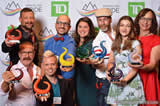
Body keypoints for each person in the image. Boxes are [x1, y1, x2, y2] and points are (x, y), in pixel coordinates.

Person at [105, 16, 145, 106]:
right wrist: (109, 72)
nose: (124, 28)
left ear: (131, 28)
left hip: (130, 81)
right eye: (122, 25)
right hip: (117, 79)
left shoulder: (135, 43)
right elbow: (111, 61)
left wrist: (125, 80)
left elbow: (136, 67)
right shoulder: (115, 43)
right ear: (118, 27)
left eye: (128, 26)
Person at [44, 15, 76, 106]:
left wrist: (70, 64)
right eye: (60, 23)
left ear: (69, 27)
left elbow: (70, 56)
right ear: (55, 25)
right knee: (52, 103)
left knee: (65, 103)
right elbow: (44, 61)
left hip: (65, 81)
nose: (62, 26)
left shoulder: (70, 42)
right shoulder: (49, 41)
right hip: (51, 80)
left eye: (65, 24)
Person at [0, 41, 41, 106]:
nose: (27, 56)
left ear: (34, 53)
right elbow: (2, 92)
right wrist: (6, 82)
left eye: (30, 52)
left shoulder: (39, 70)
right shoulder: (13, 70)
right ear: (19, 54)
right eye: (24, 52)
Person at [133, 8, 160, 106]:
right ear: (138, 20)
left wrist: (140, 67)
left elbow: (152, 64)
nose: (145, 22)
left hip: (148, 79)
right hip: (132, 78)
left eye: (149, 19)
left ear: (153, 22)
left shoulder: (156, 40)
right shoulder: (132, 38)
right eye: (143, 18)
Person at [90, 8, 115, 106]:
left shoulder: (118, 34)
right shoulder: (97, 41)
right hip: (105, 81)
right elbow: (98, 63)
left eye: (105, 19)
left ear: (111, 20)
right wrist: (95, 63)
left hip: (120, 78)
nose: (102, 23)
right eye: (100, 20)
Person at [72, 17, 97, 106]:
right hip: (77, 78)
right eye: (80, 26)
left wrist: (89, 61)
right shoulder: (73, 42)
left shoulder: (94, 43)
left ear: (90, 29)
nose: (82, 29)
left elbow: (97, 61)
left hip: (90, 78)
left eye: (85, 27)